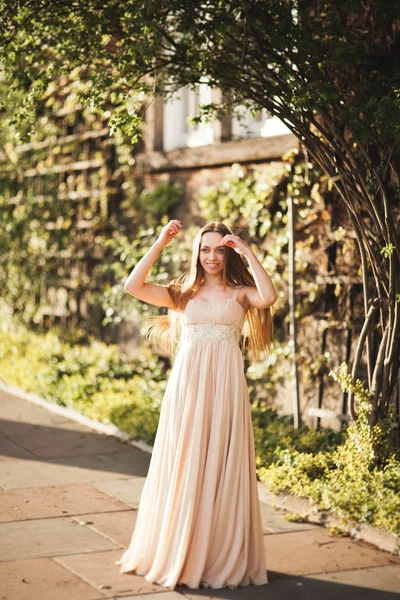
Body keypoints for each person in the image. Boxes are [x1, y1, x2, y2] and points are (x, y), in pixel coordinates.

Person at [115, 220, 277, 590]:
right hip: (188, 389)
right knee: (187, 460)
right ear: (196, 252)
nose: (212, 257)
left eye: (220, 249)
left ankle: (217, 551)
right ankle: (180, 548)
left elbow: (268, 297)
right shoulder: (181, 293)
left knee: (220, 460)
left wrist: (248, 252)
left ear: (228, 252)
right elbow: (133, 285)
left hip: (226, 390)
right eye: (205, 249)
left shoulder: (240, 294)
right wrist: (159, 242)